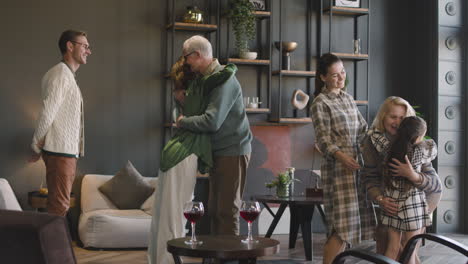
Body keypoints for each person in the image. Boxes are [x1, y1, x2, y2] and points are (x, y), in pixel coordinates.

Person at [148, 55, 239, 264]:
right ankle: (170, 260)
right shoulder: (196, 94)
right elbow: (223, 77)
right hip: (182, 156)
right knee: (176, 214)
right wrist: (229, 68)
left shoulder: (181, 105)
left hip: (171, 154)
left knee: (165, 212)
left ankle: (159, 258)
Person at [177, 35, 252, 237]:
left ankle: (228, 257)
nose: (185, 63)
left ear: (197, 55)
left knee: (227, 211)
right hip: (219, 152)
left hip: (233, 151)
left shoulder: (224, 80)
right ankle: (218, 255)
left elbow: (211, 121)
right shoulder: (207, 80)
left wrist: (182, 121)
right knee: (216, 210)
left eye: (187, 57)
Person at [310, 53, 374, 264]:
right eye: (335, 75)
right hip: (338, 170)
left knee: (352, 226)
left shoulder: (347, 98)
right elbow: (323, 140)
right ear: (322, 77)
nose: (341, 78)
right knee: (341, 228)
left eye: (343, 72)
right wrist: (342, 157)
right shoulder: (320, 102)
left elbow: (364, 130)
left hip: (357, 166)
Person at [362, 96, 442, 257]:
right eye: (393, 117)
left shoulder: (416, 142)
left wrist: (413, 176)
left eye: (402, 118)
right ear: (383, 117)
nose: (397, 122)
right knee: (389, 245)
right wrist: (380, 199)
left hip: (421, 200)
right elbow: (369, 178)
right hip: (390, 201)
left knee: (407, 246)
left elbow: (435, 185)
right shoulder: (374, 142)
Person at [29, 29, 91, 216]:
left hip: (65, 152)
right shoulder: (60, 75)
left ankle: (53, 245)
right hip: (60, 152)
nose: (89, 51)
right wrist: (35, 145)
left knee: (59, 206)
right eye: (85, 46)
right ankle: (53, 246)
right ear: (70, 46)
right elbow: (48, 111)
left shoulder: (66, 75)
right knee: (59, 207)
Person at [380, 116, 437, 263]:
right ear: (418, 137)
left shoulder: (389, 149)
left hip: (392, 204)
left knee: (392, 247)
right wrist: (420, 141)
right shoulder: (419, 151)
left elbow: (375, 138)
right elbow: (432, 148)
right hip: (412, 205)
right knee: (409, 248)